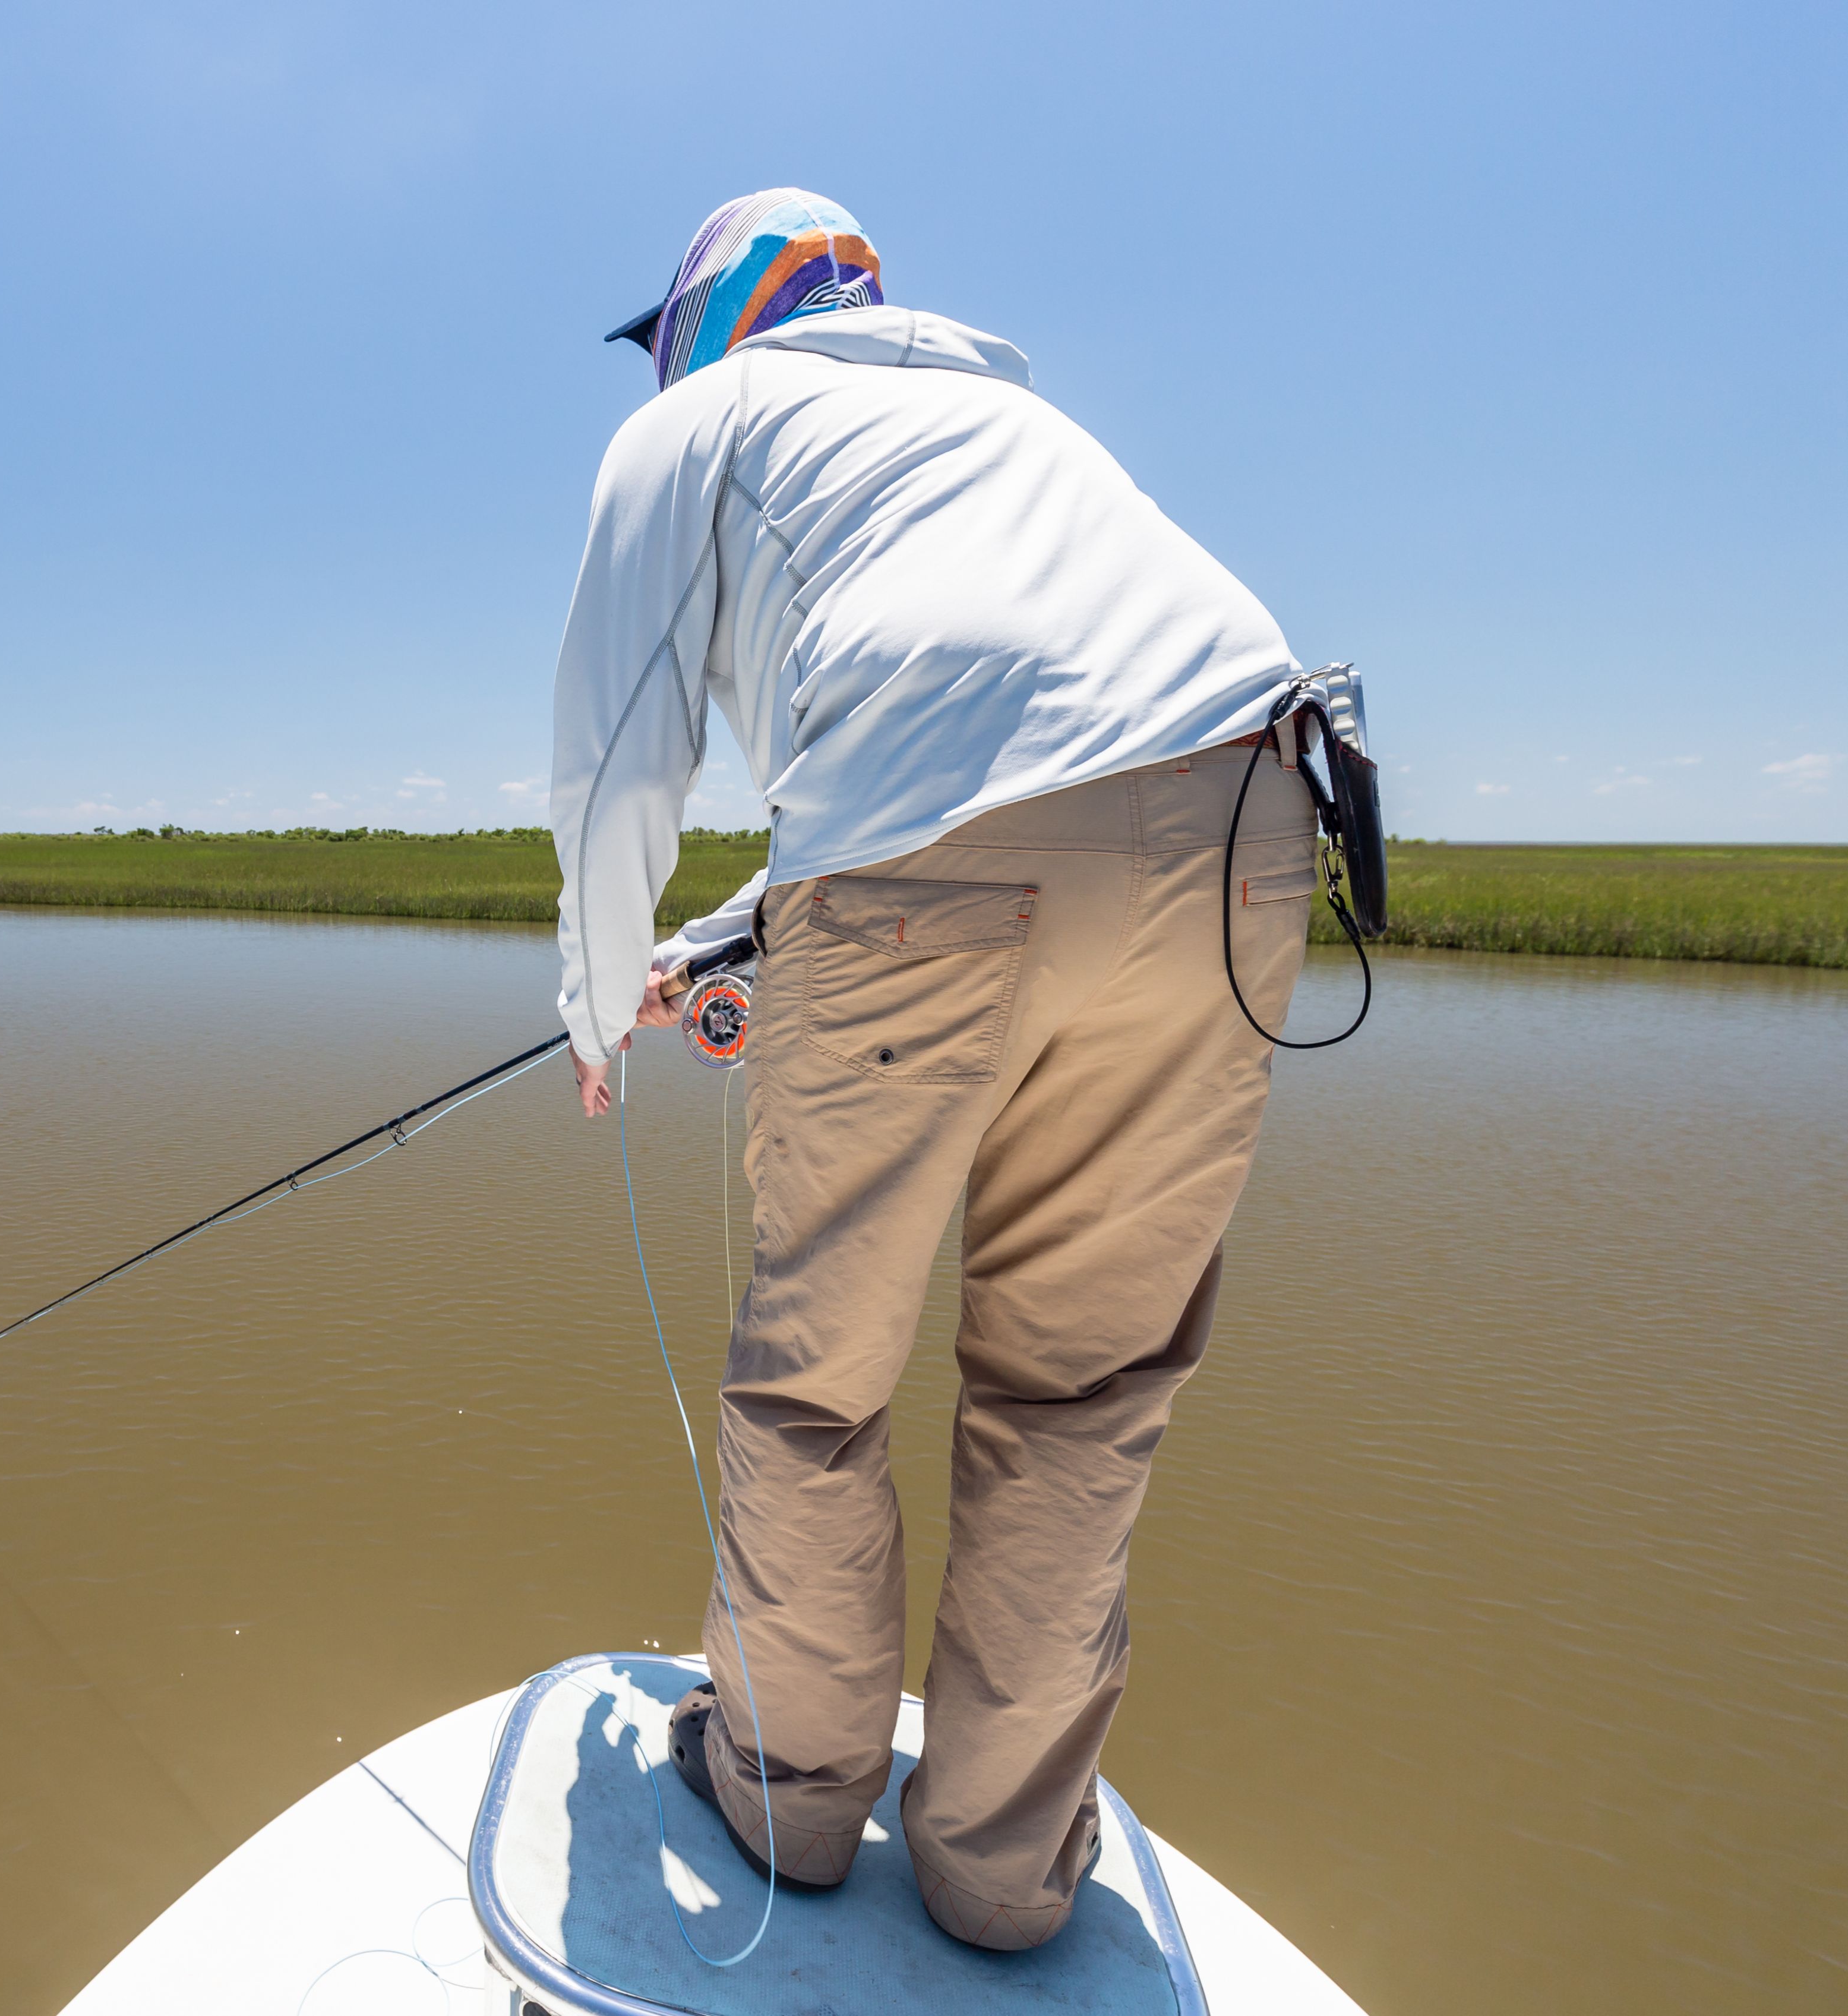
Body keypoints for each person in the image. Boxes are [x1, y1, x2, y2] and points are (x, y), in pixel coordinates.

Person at [550, 188, 1328, 1952]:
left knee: (814, 1387)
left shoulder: (696, 426)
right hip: (1244, 835)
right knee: (1075, 1403)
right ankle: (996, 1877)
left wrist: (599, 1000)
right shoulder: (1018, 427)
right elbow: (1036, 742)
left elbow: (613, 758)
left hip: (924, 878)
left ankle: (787, 1799)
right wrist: (735, 942)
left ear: (708, 319)